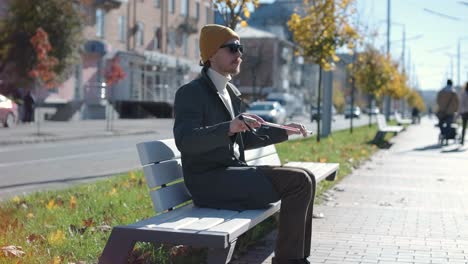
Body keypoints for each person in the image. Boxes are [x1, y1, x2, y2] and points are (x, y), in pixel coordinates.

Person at [173, 24, 313, 264]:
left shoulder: (230, 92)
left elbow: (241, 139)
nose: (239, 54)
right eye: (232, 48)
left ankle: (297, 258)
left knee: (306, 176)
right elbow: (186, 141)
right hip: (209, 182)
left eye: (241, 48)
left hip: (232, 175)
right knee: (298, 182)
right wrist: (229, 127)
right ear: (210, 54)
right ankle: (288, 261)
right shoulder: (191, 93)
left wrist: (284, 132)